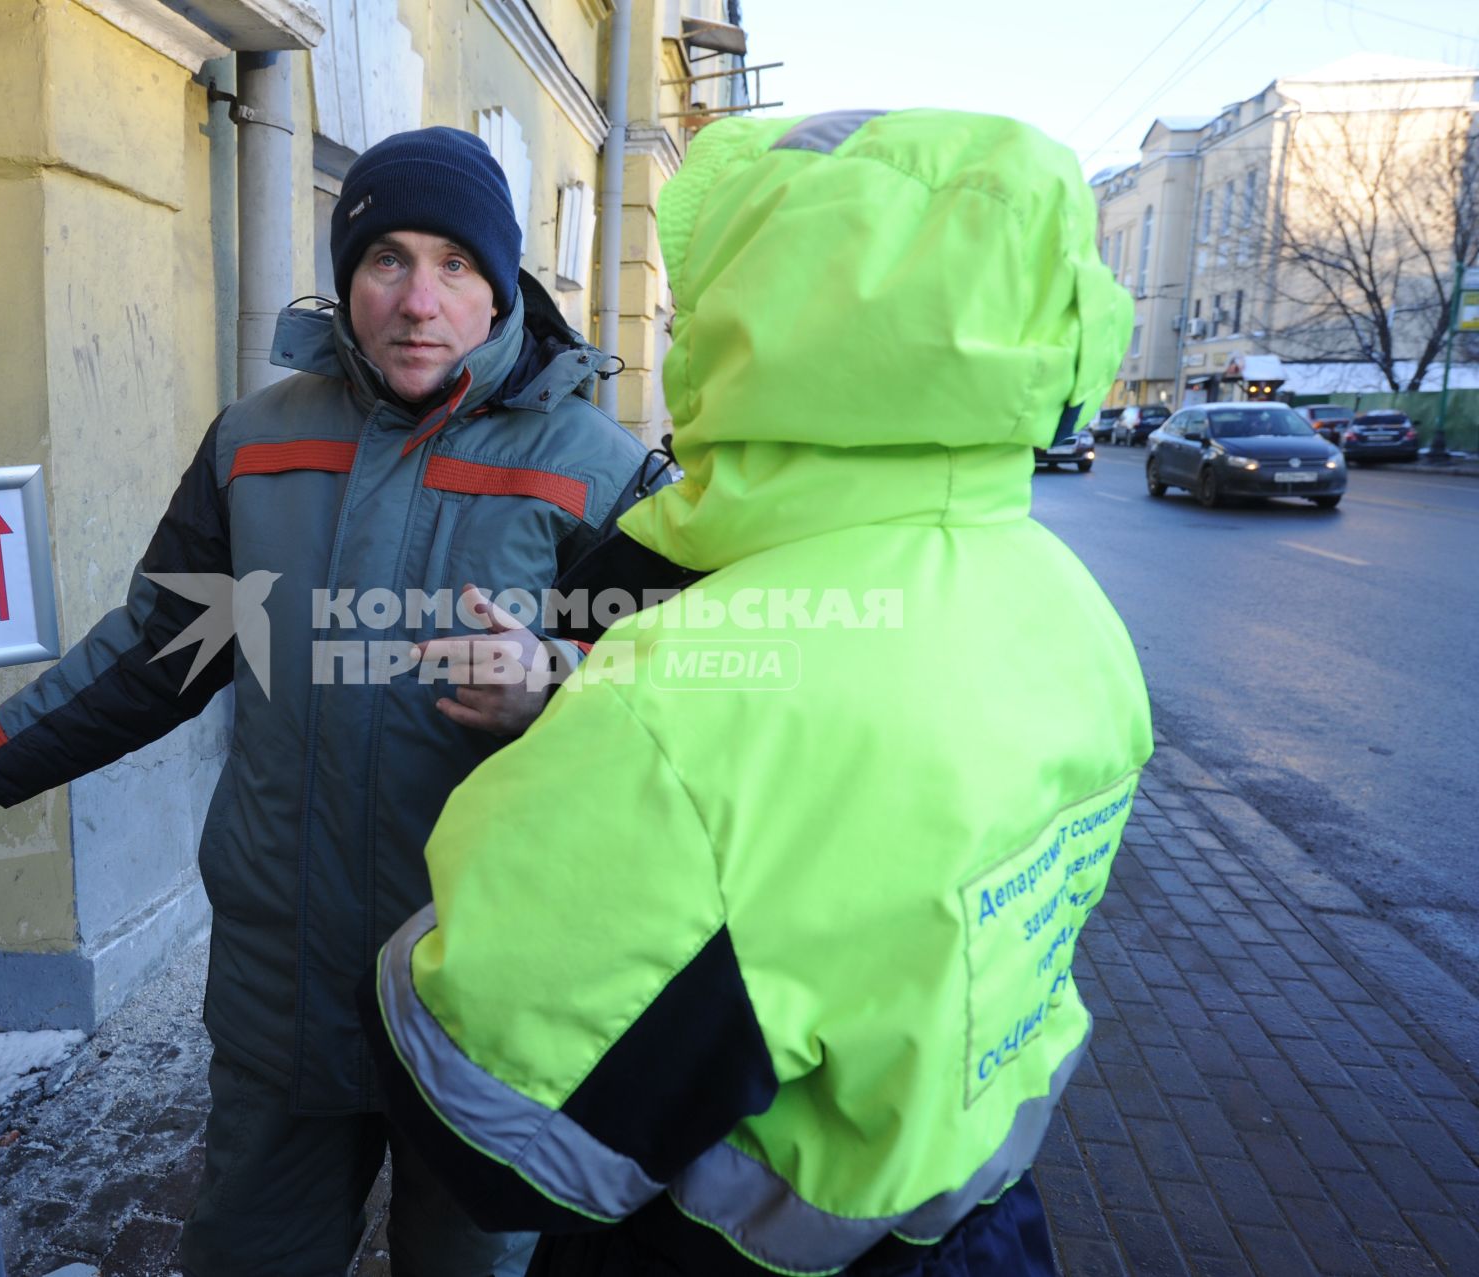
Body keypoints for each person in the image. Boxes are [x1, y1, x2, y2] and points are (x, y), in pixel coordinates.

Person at [358, 108, 1153, 1276]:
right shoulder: (1065, 602)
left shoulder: (689, 697)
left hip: (737, 1252)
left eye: (707, 298)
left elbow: (492, 1122)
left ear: (777, 326)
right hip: (986, 1219)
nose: (683, 322)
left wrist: (432, 923)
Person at [0, 126, 658, 1276]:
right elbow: (165, 644)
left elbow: (686, 697)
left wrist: (555, 683)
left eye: (456, 264)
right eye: (387, 258)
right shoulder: (256, 441)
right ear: (347, 276)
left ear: (502, 284)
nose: (417, 300)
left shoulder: (596, 467)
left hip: (491, 989)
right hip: (282, 984)